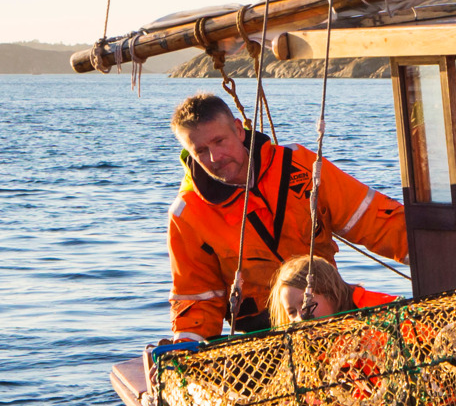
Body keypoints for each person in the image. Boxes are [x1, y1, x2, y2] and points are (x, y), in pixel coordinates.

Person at [166, 94, 408, 340]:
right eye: (201, 151)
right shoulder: (187, 214)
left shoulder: (299, 165)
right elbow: (195, 301)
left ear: (239, 130)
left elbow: (375, 220)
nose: (215, 157)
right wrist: (186, 347)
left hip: (329, 312)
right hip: (262, 334)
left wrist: (435, 254)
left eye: (219, 141)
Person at [266, 255, 395, 328]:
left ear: (331, 295)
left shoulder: (382, 314)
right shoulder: (307, 347)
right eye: (292, 312)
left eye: (306, 304)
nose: (300, 318)